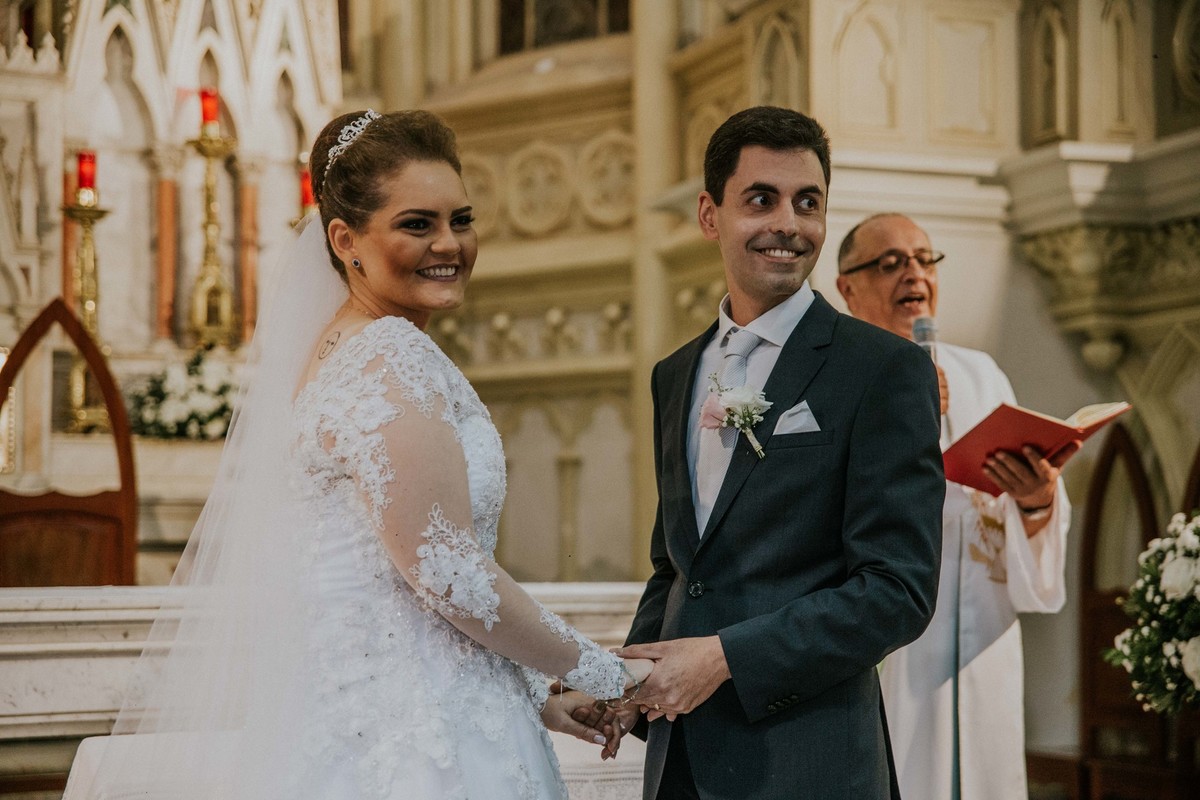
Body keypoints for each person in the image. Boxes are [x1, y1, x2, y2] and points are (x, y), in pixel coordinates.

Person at [66, 110, 651, 800]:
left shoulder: (339, 349)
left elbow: (400, 587)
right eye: (417, 224)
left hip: (373, 726)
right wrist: (609, 673)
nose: (450, 244)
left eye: (460, 219)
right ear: (345, 239)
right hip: (422, 748)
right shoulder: (390, 355)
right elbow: (446, 573)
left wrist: (531, 692)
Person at [608, 107, 945, 800]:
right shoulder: (675, 374)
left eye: (808, 202)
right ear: (711, 215)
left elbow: (897, 591)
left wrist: (728, 658)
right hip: (682, 768)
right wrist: (631, 684)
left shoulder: (878, 369)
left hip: (809, 763)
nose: (788, 223)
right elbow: (677, 566)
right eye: (761, 199)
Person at [835, 212, 1072, 800]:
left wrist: (1037, 500)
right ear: (847, 288)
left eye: (924, 259)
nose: (914, 273)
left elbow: (1011, 514)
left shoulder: (980, 373)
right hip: (899, 646)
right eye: (891, 263)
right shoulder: (838, 380)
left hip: (986, 638)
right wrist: (900, 415)